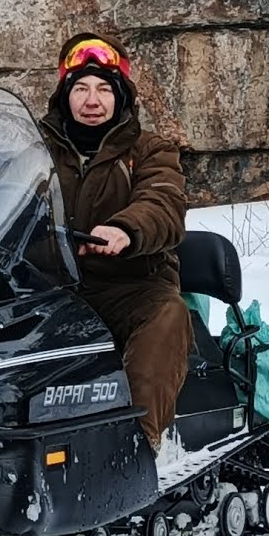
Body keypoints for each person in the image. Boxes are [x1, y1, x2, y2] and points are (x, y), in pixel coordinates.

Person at [38, 32, 194, 453]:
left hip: (127, 287)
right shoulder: (32, 149)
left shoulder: (149, 150)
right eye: (82, 88)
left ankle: (136, 447)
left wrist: (126, 228)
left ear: (121, 97)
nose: (93, 100)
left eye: (105, 89)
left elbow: (163, 201)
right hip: (46, 286)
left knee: (167, 314)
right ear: (64, 95)